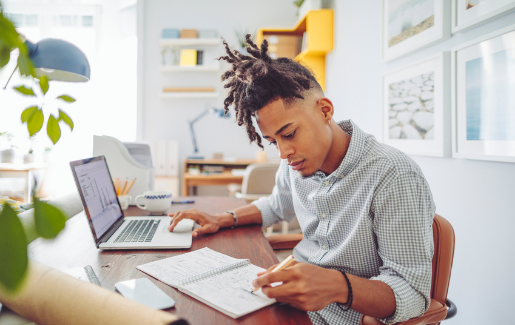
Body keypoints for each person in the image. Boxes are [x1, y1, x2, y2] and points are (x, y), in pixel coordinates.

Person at [168, 35, 435, 325]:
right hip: (290, 304)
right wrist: (224, 218)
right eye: (273, 142)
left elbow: (413, 293)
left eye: (289, 133)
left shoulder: (393, 175)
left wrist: (337, 286)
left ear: (324, 110)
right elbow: (274, 206)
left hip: (344, 317)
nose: (284, 153)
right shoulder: (296, 162)